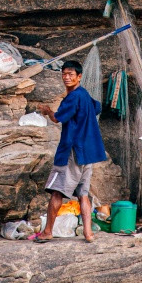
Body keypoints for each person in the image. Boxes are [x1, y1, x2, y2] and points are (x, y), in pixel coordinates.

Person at [35, 59, 107, 243]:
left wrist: (47, 110)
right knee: (83, 193)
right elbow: (97, 106)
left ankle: (48, 231)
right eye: (64, 74)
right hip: (88, 153)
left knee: (57, 192)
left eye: (71, 75)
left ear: (79, 77)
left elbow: (58, 118)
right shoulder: (84, 95)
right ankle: (89, 233)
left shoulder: (73, 97)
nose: (66, 78)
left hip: (73, 151)